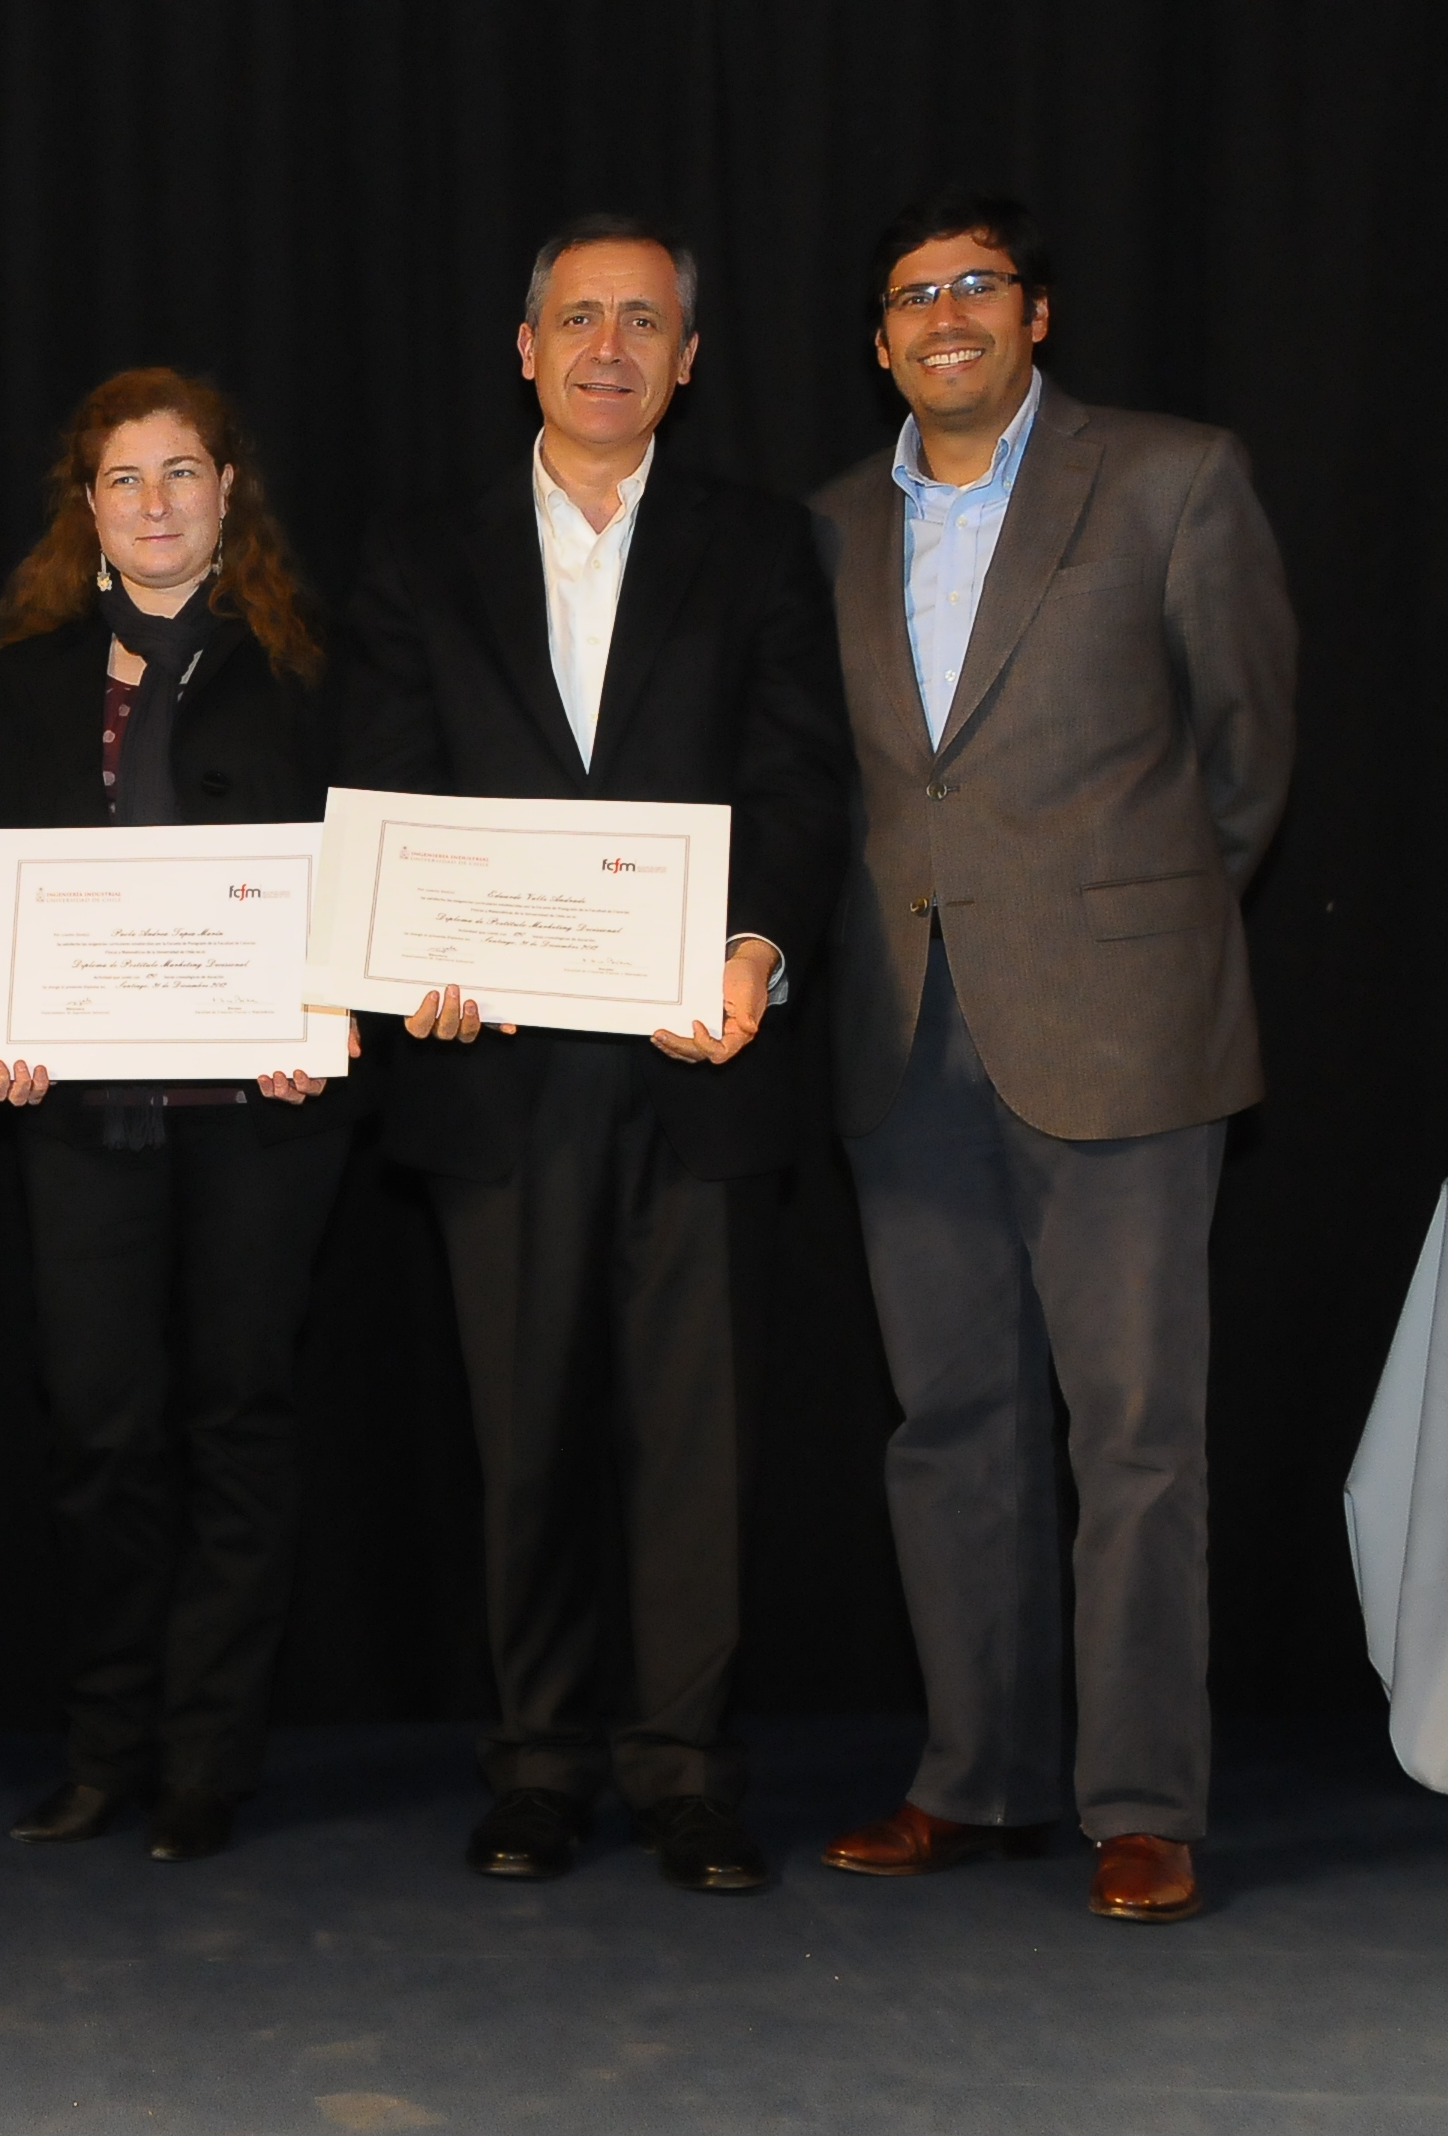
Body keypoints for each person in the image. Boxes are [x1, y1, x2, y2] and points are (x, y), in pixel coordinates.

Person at [345, 214, 851, 1892]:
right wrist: (409, 959)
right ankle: (541, 1763)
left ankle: (687, 1771)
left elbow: (799, 777)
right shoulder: (421, 556)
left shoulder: (763, 546)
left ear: (688, 362)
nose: (609, 347)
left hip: (699, 1060)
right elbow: (390, 783)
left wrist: (757, 946)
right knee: (525, 1438)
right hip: (493, 1075)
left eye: (644, 321)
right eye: (578, 318)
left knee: (698, 1444)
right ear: (526, 349)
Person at [810, 191, 1294, 1924]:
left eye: (977, 286)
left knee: (1138, 1431)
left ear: (1036, 315)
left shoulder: (1173, 477)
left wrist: (1130, 934)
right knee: (948, 1424)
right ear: (880, 341)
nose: (945, 314)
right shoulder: (826, 525)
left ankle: (1144, 1801)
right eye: (912, 296)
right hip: (900, 1031)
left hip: (1124, 1027)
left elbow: (1246, 756)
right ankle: (980, 1777)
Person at [0, 367, 359, 1864]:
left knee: (238, 1428)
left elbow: (361, 869)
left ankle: (208, 1760)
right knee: (100, 1438)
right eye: (124, 479)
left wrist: (328, 1009)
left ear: (228, 490)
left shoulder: (311, 667)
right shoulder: (23, 679)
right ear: (88, 506)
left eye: (181, 471)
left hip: (264, 1116)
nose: (155, 503)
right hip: (83, 1122)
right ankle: (104, 1747)